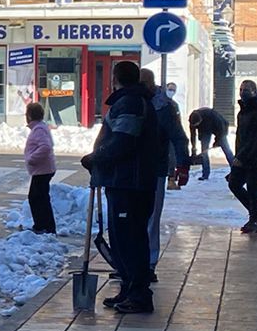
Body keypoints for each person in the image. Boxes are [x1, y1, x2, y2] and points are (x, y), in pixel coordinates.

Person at [79, 58, 162, 314]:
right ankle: (129, 288)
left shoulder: (131, 103)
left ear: (115, 78)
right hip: (124, 182)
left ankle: (138, 294)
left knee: (130, 240)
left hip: (130, 184)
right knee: (122, 238)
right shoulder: (132, 101)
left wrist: (96, 157)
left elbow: (123, 141)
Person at [138, 69, 189, 269]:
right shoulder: (131, 102)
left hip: (155, 167)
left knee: (151, 216)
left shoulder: (164, 107)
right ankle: (131, 262)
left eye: (144, 82)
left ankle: (149, 263)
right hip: (133, 168)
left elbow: (178, 137)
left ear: (151, 83)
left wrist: (182, 164)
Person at [228, 79, 257, 233]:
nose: (243, 92)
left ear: (255, 92)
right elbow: (241, 136)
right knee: (234, 184)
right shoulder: (243, 109)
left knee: (254, 188)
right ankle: (256, 214)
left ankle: (255, 220)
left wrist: (241, 157)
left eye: (247, 89)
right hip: (243, 155)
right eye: (241, 89)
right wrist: (238, 155)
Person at [23, 101, 57, 233]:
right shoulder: (40, 127)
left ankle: (43, 226)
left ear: (30, 116)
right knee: (40, 197)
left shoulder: (39, 130)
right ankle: (45, 226)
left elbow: (46, 147)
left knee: (37, 198)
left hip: (42, 170)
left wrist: (32, 159)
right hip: (43, 169)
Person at [188, 104, 231, 179]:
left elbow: (222, 129)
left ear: (200, 120)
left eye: (197, 125)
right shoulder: (192, 120)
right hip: (205, 131)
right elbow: (193, 135)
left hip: (219, 128)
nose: (195, 126)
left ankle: (235, 171)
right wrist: (193, 148)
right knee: (204, 151)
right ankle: (205, 174)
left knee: (226, 150)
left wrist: (217, 141)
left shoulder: (212, 115)